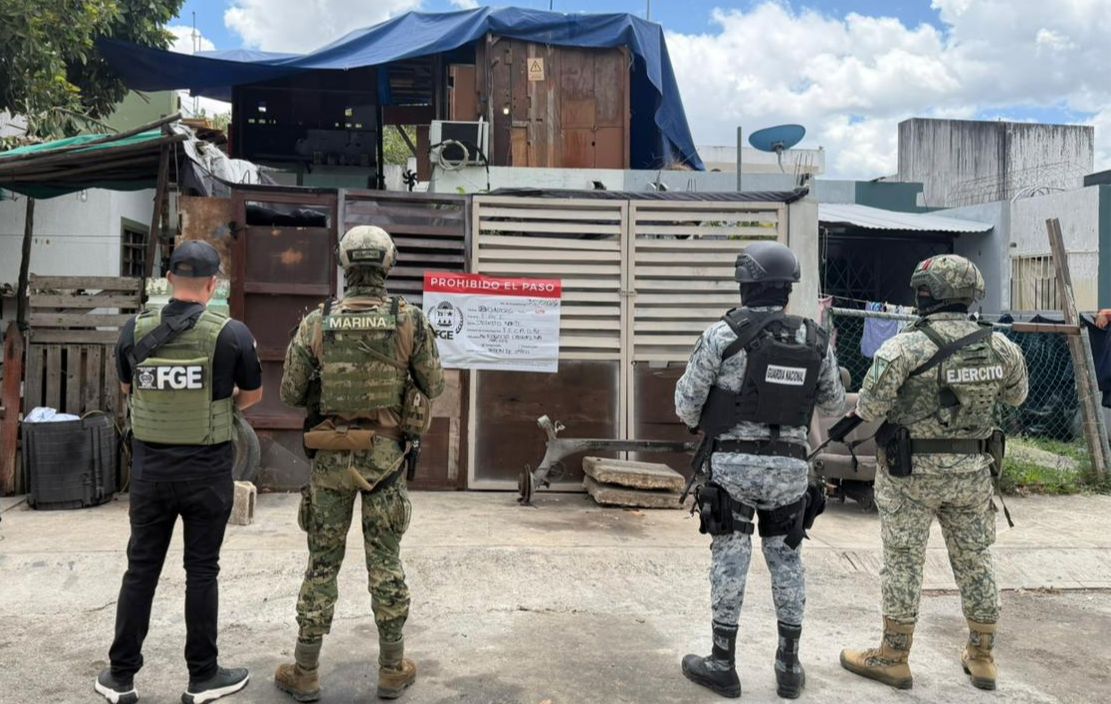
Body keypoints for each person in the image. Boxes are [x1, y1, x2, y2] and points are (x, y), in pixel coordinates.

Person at [840, 254, 1028, 692]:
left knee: (903, 561)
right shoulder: (1000, 346)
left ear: (924, 294)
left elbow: (870, 407)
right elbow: (1017, 396)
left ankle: (893, 656)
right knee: (976, 560)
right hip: (973, 473)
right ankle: (982, 655)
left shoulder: (904, 347)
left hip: (910, 476)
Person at [275, 225, 444, 701]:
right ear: (388, 264)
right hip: (385, 463)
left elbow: (290, 393)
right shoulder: (410, 320)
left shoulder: (317, 322)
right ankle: (391, 669)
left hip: (330, 461)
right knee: (386, 563)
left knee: (321, 565)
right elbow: (434, 386)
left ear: (343, 263)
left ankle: (305, 671)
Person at [675, 242, 846, 699]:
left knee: (730, 559)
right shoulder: (815, 338)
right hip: (790, 470)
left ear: (745, 285)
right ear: (787, 290)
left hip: (732, 468)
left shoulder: (722, 335)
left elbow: (686, 405)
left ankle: (722, 663)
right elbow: (833, 403)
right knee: (787, 560)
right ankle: (789, 667)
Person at [97, 241, 263, 704]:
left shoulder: (133, 329)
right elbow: (251, 397)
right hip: (207, 473)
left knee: (141, 570)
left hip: (150, 474)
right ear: (213, 284)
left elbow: (128, 388)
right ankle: (202, 677)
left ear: (169, 279)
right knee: (202, 571)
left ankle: (120, 677)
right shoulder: (232, 334)